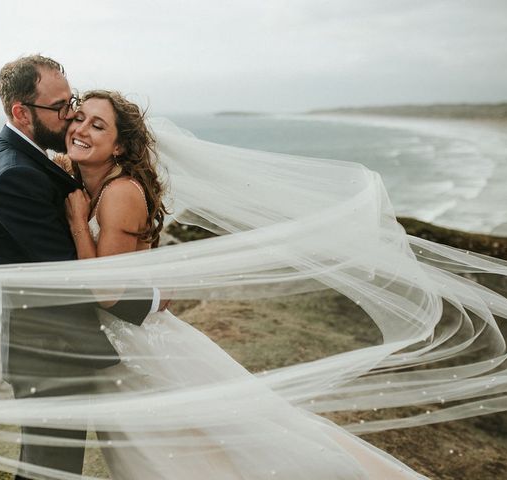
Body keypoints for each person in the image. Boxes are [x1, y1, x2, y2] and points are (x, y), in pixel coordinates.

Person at [61, 89, 427, 479]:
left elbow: (106, 291)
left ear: (119, 147)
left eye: (98, 125)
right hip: (127, 341)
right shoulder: (89, 184)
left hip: (138, 350)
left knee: (180, 456)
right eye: (79, 117)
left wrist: (78, 222)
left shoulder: (118, 194)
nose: (81, 128)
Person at [0, 55, 160, 478]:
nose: (71, 115)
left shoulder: (31, 162)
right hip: (50, 353)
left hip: (52, 349)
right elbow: (79, 280)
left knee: (46, 468)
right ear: (21, 112)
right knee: (50, 470)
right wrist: (158, 299)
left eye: (70, 100)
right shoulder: (15, 175)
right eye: (61, 107)